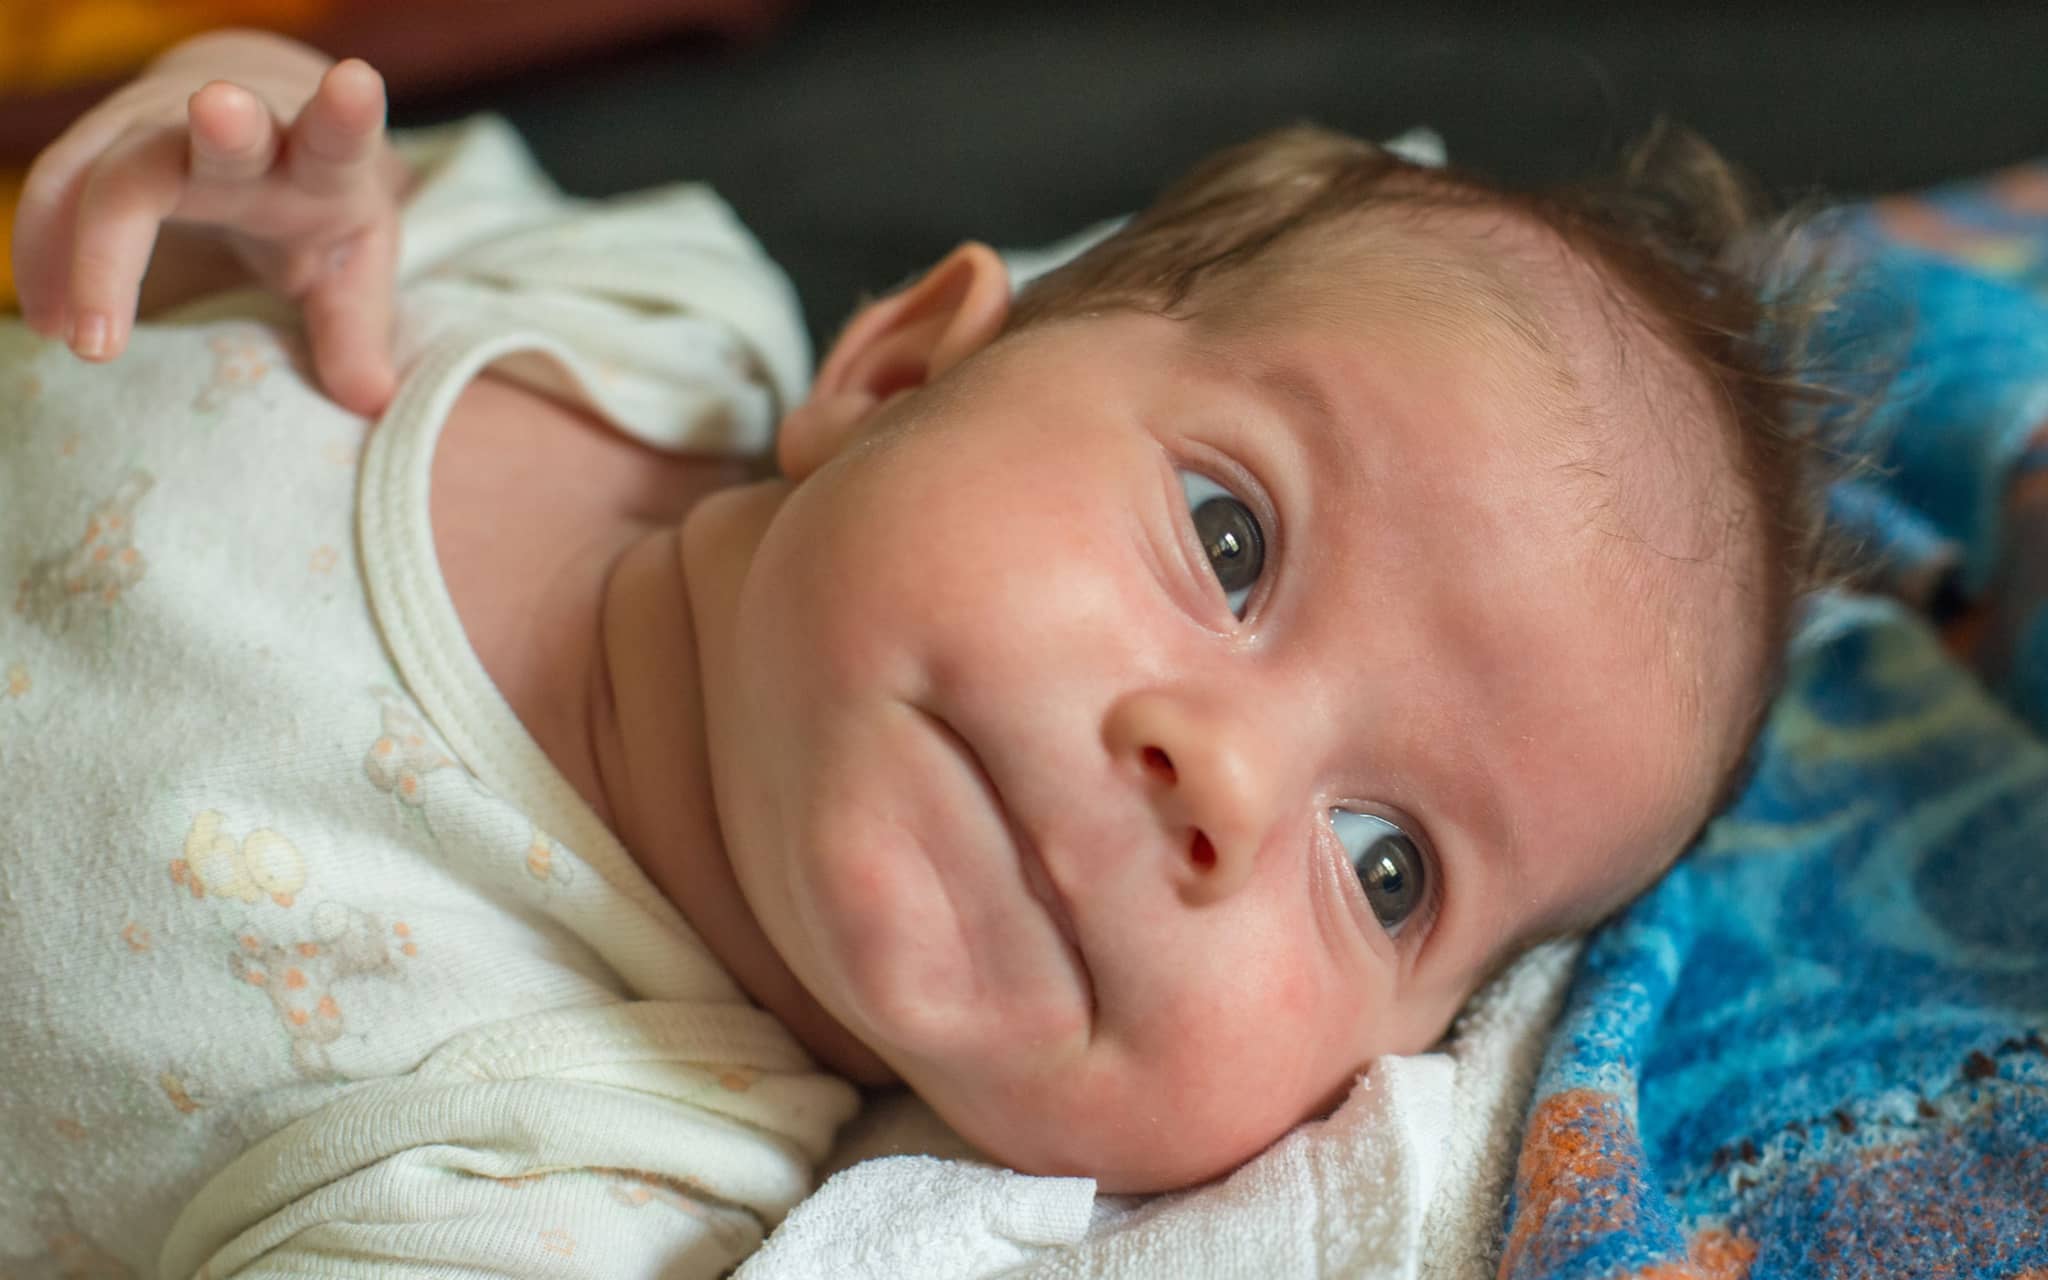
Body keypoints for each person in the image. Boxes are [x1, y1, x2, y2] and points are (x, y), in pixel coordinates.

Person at [0, 25, 1824, 1275]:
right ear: (903, 368)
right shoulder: (623, 315)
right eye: (1231, 539)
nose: (1234, 784)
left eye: (1390, 866)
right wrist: (229, 158)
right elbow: (198, 231)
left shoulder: (574, 1174)